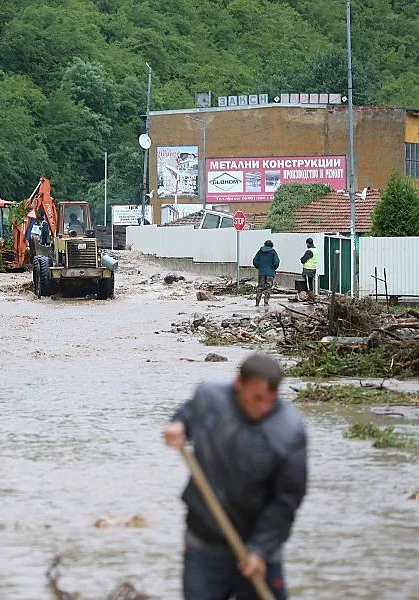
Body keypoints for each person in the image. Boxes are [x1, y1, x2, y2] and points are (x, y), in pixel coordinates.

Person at [163, 353, 307, 600]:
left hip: (259, 548)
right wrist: (179, 426)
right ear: (239, 383)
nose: (263, 408)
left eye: (271, 400)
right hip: (204, 541)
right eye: (257, 398)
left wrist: (260, 549)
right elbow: (188, 414)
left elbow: (287, 499)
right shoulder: (209, 397)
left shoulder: (289, 430)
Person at [252, 240, 280, 307]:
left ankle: (257, 302)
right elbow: (276, 262)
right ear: (271, 245)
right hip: (270, 273)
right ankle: (266, 303)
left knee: (260, 288)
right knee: (268, 288)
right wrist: (273, 268)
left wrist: (260, 267)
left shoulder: (260, 252)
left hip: (261, 273)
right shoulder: (273, 252)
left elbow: (254, 261)